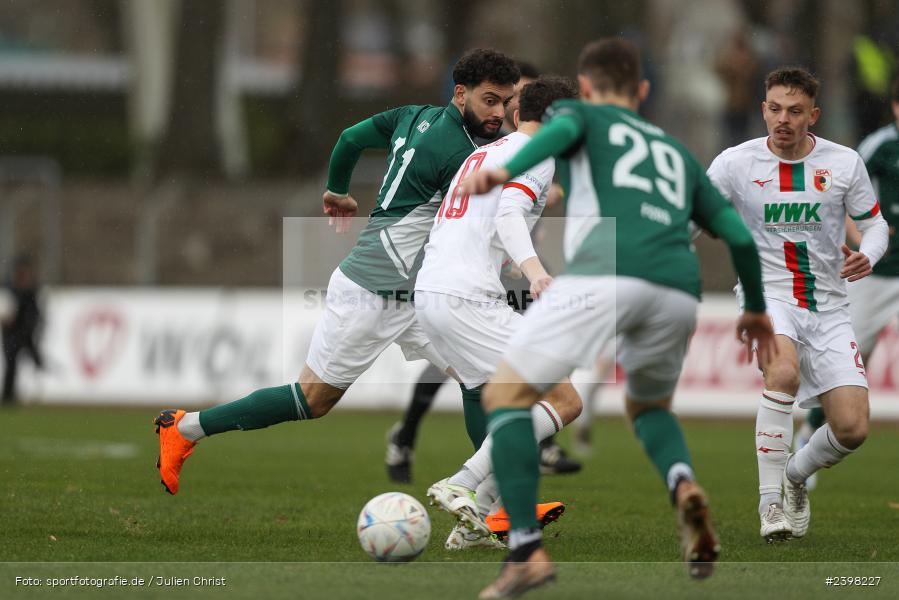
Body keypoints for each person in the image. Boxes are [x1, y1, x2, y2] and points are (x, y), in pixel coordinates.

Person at [463, 38, 774, 597]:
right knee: (650, 407)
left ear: (584, 89)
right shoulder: (677, 153)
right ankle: (683, 486)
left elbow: (555, 134)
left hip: (605, 274)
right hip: (678, 289)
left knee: (505, 396)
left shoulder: (580, 116)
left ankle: (525, 551)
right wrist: (753, 307)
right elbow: (736, 237)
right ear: (644, 90)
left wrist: (499, 172)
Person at [154, 48, 520, 495]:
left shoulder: (411, 116)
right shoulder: (461, 153)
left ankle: (492, 505)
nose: (497, 113)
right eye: (489, 100)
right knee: (312, 398)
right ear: (460, 94)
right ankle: (185, 427)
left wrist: (337, 190)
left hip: (416, 293)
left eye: (504, 102)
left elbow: (349, 138)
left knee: (480, 376)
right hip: (375, 288)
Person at [707, 67, 890, 543]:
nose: (781, 119)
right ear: (763, 108)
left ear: (814, 115)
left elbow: (875, 225)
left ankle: (793, 476)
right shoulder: (734, 163)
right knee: (782, 374)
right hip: (766, 293)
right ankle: (770, 504)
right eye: (773, 109)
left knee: (852, 428)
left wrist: (867, 256)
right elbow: (696, 214)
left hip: (828, 305)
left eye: (793, 111)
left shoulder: (844, 163)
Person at [386, 61, 581, 484]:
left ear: (515, 115)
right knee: (565, 398)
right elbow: (510, 211)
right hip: (468, 296)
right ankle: (464, 485)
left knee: (483, 394)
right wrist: (535, 273)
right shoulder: (539, 155)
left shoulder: (483, 153)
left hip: (432, 292)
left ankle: (486, 515)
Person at [795, 74, 899, 489]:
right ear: (894, 107)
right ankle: (811, 430)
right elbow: (846, 197)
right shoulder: (877, 147)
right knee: (850, 363)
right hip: (877, 273)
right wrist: (862, 243)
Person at [1, 255, 44, 406]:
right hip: (11, 334)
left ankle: (36, 392)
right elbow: (5, 311)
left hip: (26, 333)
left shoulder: (31, 289)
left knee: (37, 361)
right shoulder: (9, 288)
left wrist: (33, 326)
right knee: (11, 364)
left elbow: (35, 312)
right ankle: (8, 396)